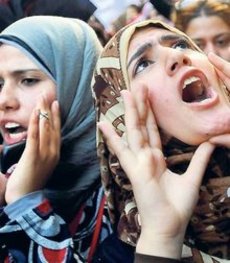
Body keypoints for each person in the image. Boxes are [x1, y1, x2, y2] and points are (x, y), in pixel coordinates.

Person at [93, 19, 230, 262]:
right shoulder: (117, 255)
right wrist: (162, 238)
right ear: (124, 116)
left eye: (180, 45)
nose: (175, 56)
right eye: (143, 64)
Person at [0, 16, 112, 262]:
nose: (4, 101)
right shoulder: (5, 172)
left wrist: (24, 203)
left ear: (78, 85)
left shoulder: (129, 191)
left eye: (28, 80)